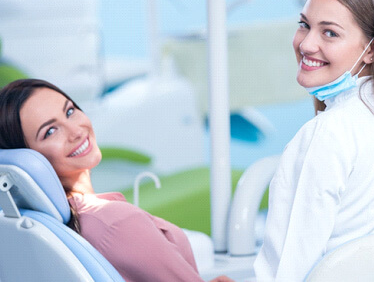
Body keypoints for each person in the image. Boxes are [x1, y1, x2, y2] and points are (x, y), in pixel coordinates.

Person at [254, 0, 374, 281]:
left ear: (372, 49)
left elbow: (288, 271)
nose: (306, 44)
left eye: (329, 32)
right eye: (304, 25)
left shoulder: (327, 135)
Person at [0, 78, 233, 282]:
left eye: (70, 111)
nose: (76, 131)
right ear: (29, 158)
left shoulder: (42, 227)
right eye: (50, 131)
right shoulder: (115, 223)